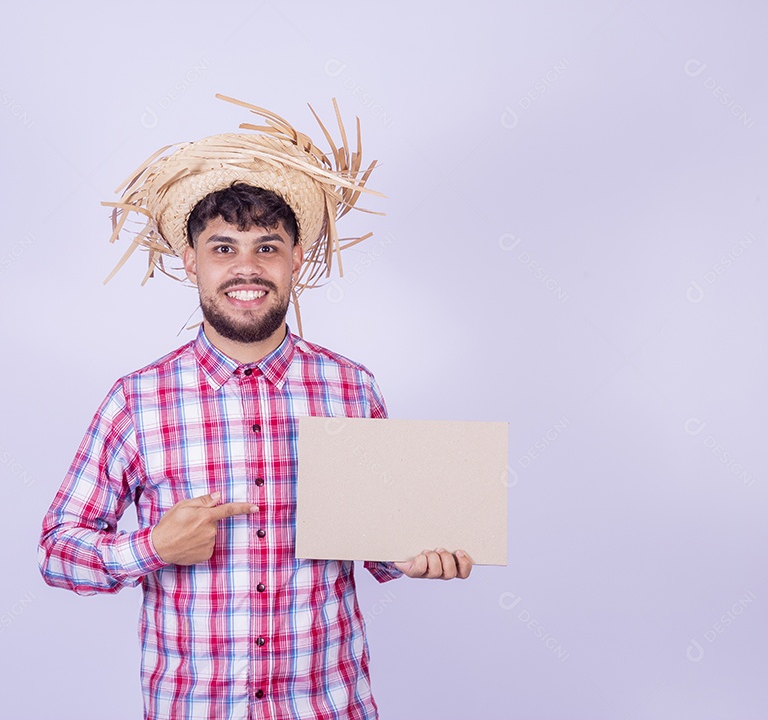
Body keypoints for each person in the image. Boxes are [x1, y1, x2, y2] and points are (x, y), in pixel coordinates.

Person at [37, 95, 472, 719]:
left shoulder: (350, 389)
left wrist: (420, 551)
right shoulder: (136, 400)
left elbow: (379, 546)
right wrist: (153, 546)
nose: (247, 267)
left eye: (268, 247)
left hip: (329, 704)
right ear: (190, 262)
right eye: (223, 248)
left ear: (297, 259)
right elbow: (58, 551)